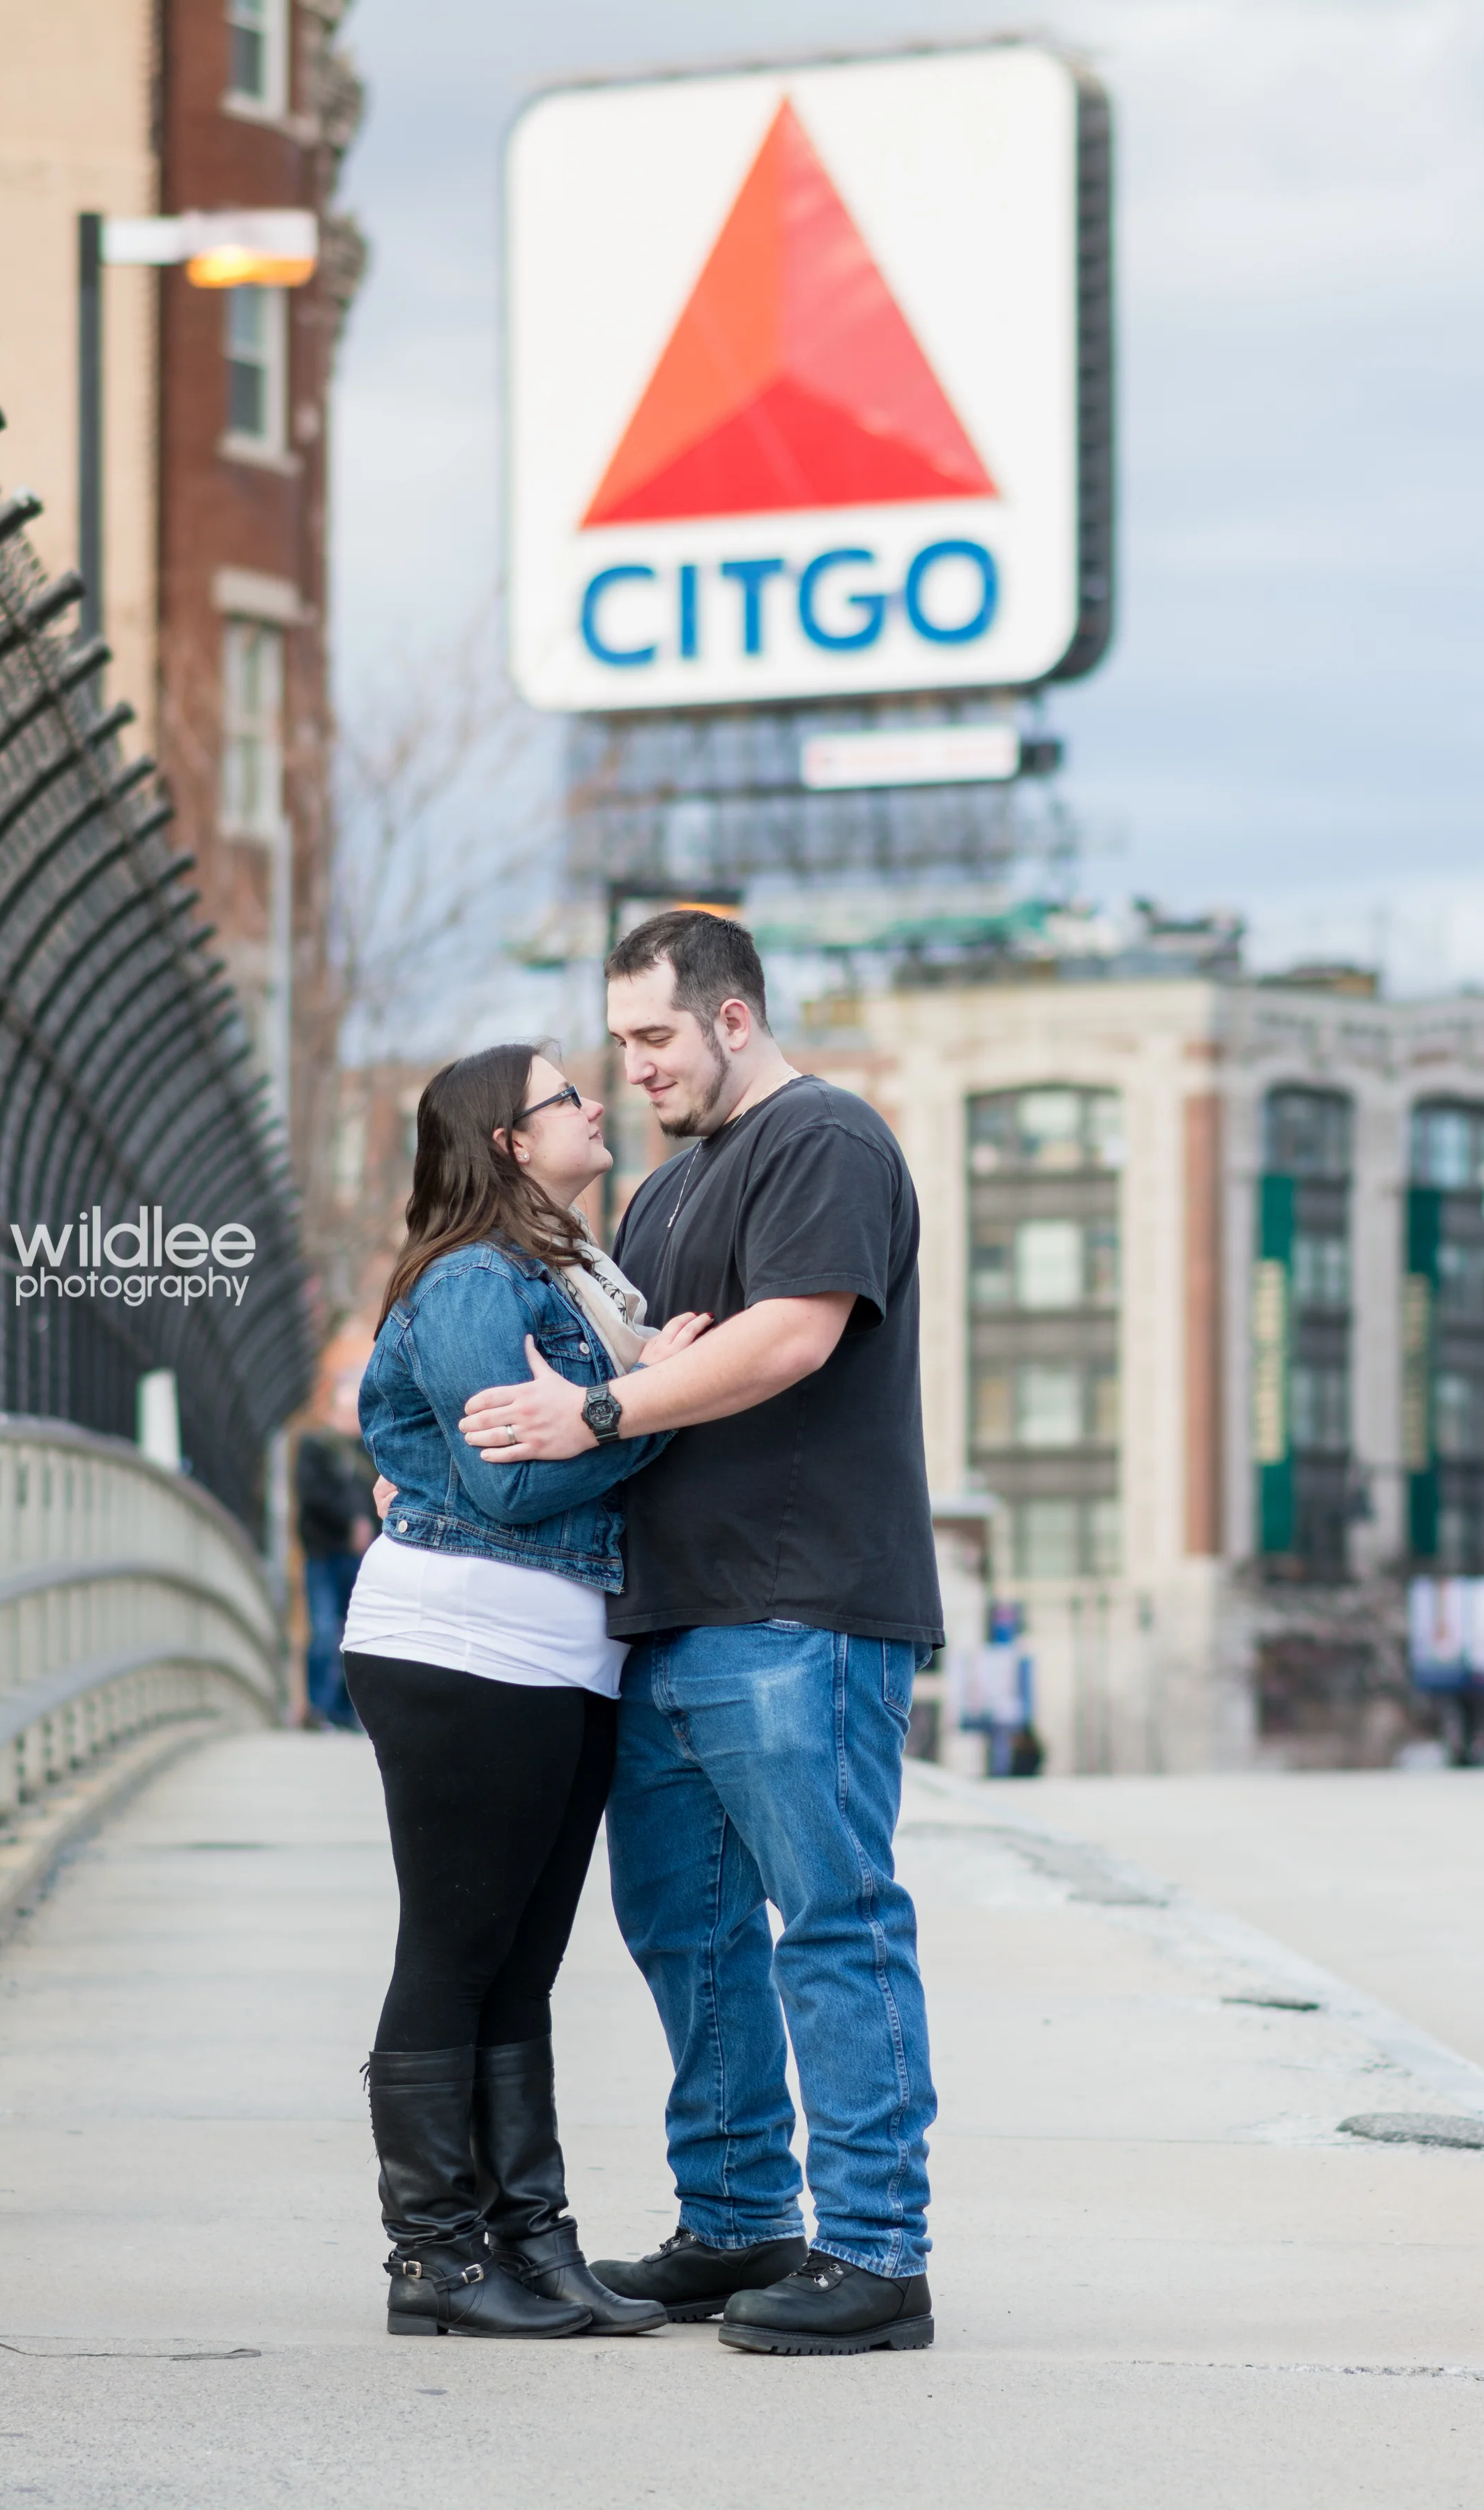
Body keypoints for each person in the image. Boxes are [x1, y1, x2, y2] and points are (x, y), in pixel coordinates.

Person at [460, 911, 944, 2357]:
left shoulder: (827, 1142)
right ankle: (738, 2218)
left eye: (656, 1037)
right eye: (618, 1042)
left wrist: (600, 1410)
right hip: (670, 1618)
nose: (636, 1068)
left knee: (835, 1919)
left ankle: (878, 2255)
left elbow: (792, 1336)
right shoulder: (669, 1193)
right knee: (687, 1928)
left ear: (734, 1019)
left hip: (802, 1605)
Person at [342, 1042, 711, 2339]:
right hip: (463, 1643)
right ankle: (432, 2259)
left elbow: (557, 1443)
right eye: (567, 1094)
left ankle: (531, 2241)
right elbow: (506, 1480)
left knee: (521, 1966)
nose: (595, 1103)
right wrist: (663, 1404)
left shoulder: (566, 1276)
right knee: (453, 1953)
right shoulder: (468, 1283)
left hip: (560, 1650)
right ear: (507, 1139)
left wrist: (631, 1385)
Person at [295, 1374, 376, 1729]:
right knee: (325, 1631)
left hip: (360, 1558)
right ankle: (318, 1708)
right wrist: (351, 1524)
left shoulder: (368, 1450)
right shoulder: (315, 1447)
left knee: (355, 1634)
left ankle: (345, 1711)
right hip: (325, 1553)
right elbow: (313, 1497)